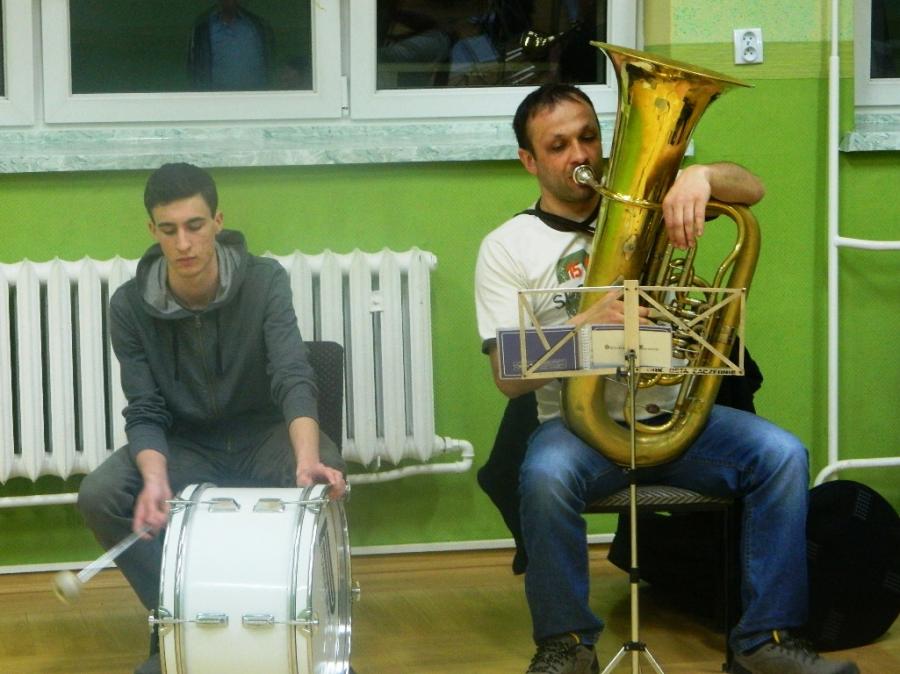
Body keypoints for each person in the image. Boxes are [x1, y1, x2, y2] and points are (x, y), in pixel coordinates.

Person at [474, 84, 860, 674]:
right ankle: (566, 646)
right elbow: (507, 373)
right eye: (558, 145)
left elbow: (752, 188)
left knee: (782, 455)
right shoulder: (508, 246)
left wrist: (700, 176)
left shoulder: (652, 206)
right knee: (544, 476)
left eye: (588, 137)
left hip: (675, 418)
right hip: (578, 429)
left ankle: (764, 642)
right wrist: (585, 324)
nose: (580, 154)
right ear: (530, 161)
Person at [77, 162, 347, 674]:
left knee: (323, 477)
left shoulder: (265, 280)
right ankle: (177, 623)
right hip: (187, 445)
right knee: (101, 493)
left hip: (262, 436)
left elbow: (292, 375)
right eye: (168, 230)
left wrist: (307, 459)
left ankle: (300, 635)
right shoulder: (128, 306)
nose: (183, 243)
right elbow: (144, 407)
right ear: (152, 230)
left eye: (195, 226)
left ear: (218, 221)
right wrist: (155, 478)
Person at [188, 1, 274, 91]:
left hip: (255, 97)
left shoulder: (257, 26)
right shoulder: (202, 28)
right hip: (215, 97)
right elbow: (195, 73)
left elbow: (269, 69)